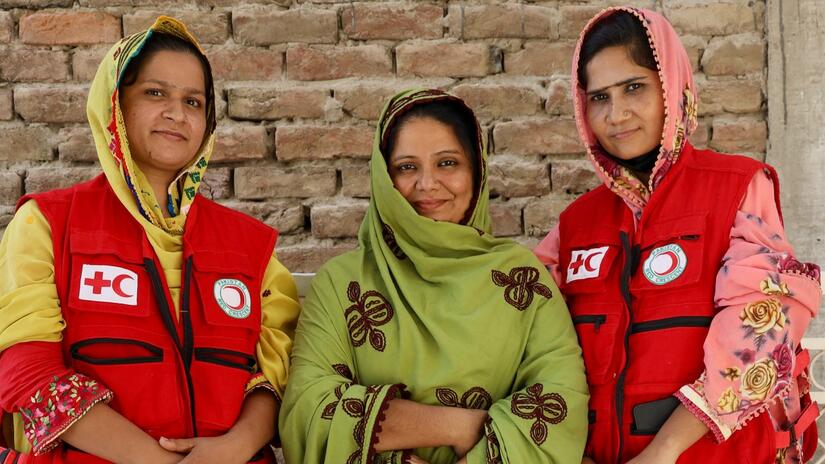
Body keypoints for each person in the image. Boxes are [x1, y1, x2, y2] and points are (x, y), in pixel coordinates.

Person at [0, 16, 299, 463]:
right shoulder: (48, 223)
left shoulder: (252, 247)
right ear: (115, 105)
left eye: (194, 101)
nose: (177, 114)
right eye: (155, 93)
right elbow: (27, 372)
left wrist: (233, 448)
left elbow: (276, 380)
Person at [534, 6, 822, 464]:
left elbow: (760, 328)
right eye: (599, 97)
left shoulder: (737, 188)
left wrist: (663, 451)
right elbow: (533, 341)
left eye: (634, 88)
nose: (616, 114)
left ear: (672, 87)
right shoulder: (576, 225)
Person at [279, 89, 589, 463]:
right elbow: (308, 412)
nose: (427, 184)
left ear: (476, 171)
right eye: (407, 167)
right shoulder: (344, 285)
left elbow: (559, 406)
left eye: (447, 163)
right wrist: (459, 427)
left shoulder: (522, 280)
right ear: (384, 178)